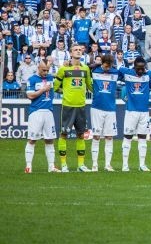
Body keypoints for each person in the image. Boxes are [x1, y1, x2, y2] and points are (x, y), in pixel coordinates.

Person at [53, 44, 93, 173]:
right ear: (70, 53)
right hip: (68, 106)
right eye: (76, 50)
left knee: (81, 135)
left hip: (81, 106)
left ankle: (80, 165)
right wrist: (65, 92)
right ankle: (64, 165)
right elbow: (55, 87)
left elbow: (90, 86)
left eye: (80, 50)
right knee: (64, 134)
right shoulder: (63, 69)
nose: (78, 51)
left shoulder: (86, 68)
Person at [118, 57, 151, 172]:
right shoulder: (127, 73)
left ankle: (142, 164)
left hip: (144, 112)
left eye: (143, 68)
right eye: (138, 68)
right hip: (131, 111)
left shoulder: (149, 74)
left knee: (142, 138)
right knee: (128, 137)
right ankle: (125, 165)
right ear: (134, 67)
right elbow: (118, 69)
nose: (141, 71)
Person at [24, 59, 58, 173]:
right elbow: (30, 96)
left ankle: (51, 166)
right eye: (43, 70)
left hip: (48, 112)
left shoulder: (50, 77)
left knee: (50, 139)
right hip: (36, 112)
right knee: (32, 139)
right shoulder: (32, 80)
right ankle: (28, 166)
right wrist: (43, 89)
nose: (45, 72)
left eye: (47, 70)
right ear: (38, 68)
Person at [89, 54, 119, 172]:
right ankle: (95, 164)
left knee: (109, 137)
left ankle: (107, 164)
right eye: (106, 66)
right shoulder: (94, 70)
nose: (107, 68)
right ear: (102, 63)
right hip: (96, 108)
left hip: (111, 109)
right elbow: (84, 67)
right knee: (96, 136)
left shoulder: (115, 72)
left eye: (109, 66)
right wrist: (95, 64)